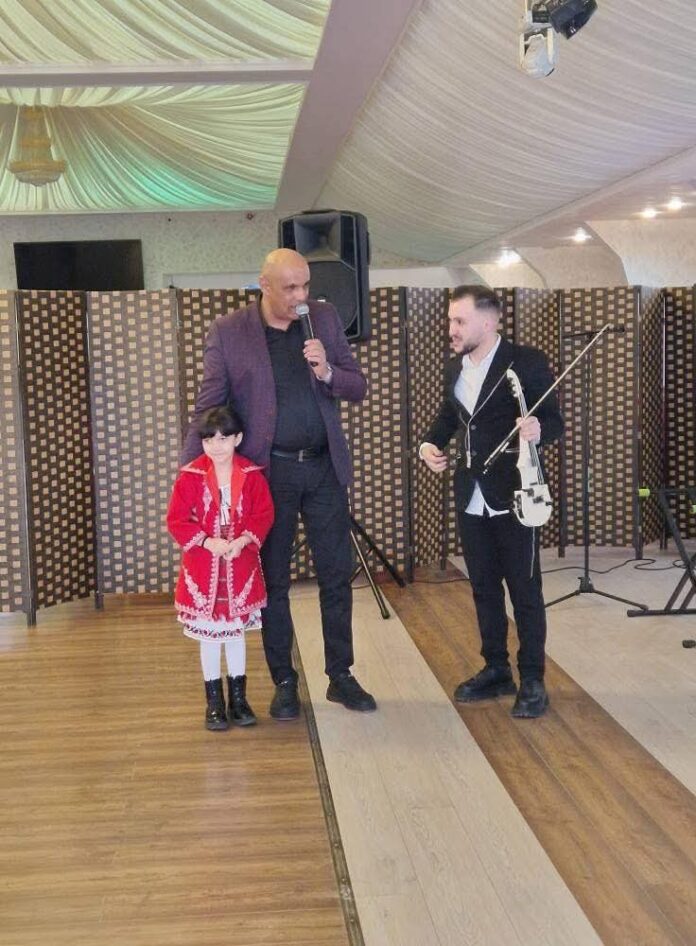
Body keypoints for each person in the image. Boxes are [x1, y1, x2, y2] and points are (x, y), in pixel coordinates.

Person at [181, 248, 376, 719]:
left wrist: (326, 370)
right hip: (269, 476)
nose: (300, 296)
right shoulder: (230, 331)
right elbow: (210, 404)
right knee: (273, 581)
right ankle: (284, 681)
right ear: (264, 285)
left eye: (305, 286)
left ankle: (341, 675)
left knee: (336, 574)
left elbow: (356, 385)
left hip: (324, 469)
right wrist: (190, 475)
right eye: (290, 288)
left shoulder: (324, 320)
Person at [421, 286, 564, 718]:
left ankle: (532, 678)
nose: (451, 328)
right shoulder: (455, 367)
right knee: (483, 587)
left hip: (517, 491)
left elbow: (553, 420)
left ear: (488, 321)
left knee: (524, 589)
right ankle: (496, 669)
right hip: (471, 493)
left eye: (459, 321)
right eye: (451, 320)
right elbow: (450, 417)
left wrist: (539, 429)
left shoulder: (526, 362)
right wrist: (428, 445)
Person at [168, 406, 274, 731]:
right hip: (204, 568)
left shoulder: (252, 475)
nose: (216, 446)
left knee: (236, 635)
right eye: (209, 440)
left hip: (240, 567)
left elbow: (263, 514)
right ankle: (214, 703)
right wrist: (205, 541)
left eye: (223, 439)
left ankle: (239, 701)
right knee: (211, 638)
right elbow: (176, 519)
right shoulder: (191, 476)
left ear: (237, 439)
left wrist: (243, 540)